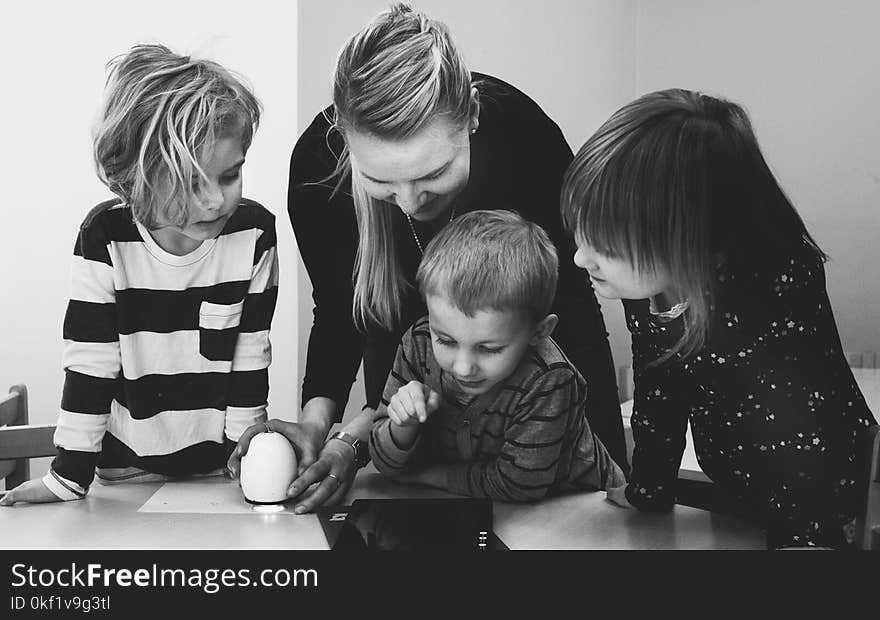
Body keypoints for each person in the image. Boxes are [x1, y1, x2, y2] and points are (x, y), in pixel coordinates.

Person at [227, 3, 625, 514]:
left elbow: (574, 307)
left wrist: (615, 468)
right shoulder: (315, 170)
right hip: (411, 388)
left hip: (531, 411)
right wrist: (321, 428)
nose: (412, 202)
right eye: (381, 182)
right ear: (344, 140)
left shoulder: (525, 139)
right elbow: (341, 315)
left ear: (472, 117)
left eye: (433, 174)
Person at [560, 88, 877, 549]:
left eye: (604, 247)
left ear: (690, 236)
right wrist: (649, 488)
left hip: (825, 496)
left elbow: (802, 432)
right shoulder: (652, 287)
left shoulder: (771, 289)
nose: (578, 258)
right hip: (735, 479)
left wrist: (807, 537)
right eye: (580, 235)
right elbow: (660, 388)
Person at [0, 44, 277, 506]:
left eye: (229, 176)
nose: (213, 202)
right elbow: (91, 364)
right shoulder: (103, 236)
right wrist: (68, 476)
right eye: (190, 182)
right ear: (135, 177)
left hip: (218, 472)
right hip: (124, 473)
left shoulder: (254, 234)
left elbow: (250, 355)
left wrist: (247, 462)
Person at [369, 210, 626, 500]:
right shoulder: (417, 345)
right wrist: (403, 426)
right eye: (445, 340)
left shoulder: (550, 379)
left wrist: (423, 475)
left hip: (590, 510)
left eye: (489, 349)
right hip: (492, 507)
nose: (463, 368)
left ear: (539, 332)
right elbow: (383, 461)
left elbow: (518, 485)